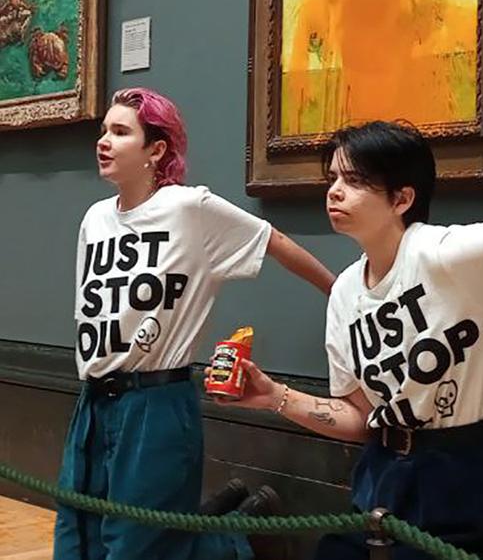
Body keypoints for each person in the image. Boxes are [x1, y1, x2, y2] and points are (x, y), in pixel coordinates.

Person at [212, 120, 483, 560]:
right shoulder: (346, 291)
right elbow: (361, 419)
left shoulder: (448, 255)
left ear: (402, 198)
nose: (335, 191)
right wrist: (274, 396)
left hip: (467, 470)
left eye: (355, 180)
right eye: (334, 178)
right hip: (384, 473)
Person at [53, 87, 335, 560]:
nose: (103, 141)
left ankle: (240, 537)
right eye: (104, 130)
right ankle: (231, 517)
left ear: (156, 149)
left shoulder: (188, 208)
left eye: (120, 132)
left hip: (155, 402)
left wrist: (342, 294)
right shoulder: (94, 219)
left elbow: (273, 240)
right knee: (75, 533)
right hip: (94, 402)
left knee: (138, 545)